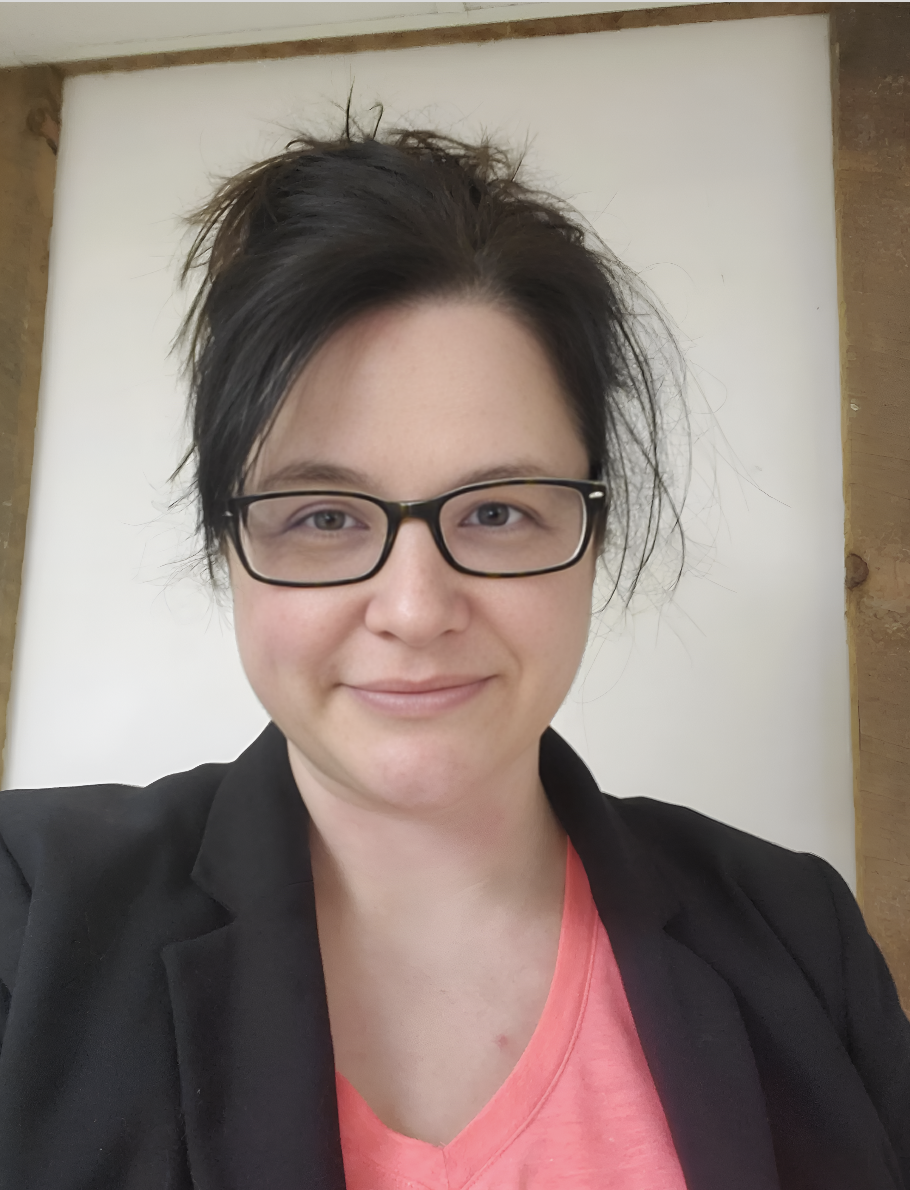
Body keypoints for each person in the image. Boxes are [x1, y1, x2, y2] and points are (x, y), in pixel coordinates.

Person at [0, 124, 907, 1190]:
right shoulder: (29, 915)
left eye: (495, 510)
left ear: (593, 536)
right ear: (229, 544)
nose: (416, 607)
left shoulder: (796, 932)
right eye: (326, 516)